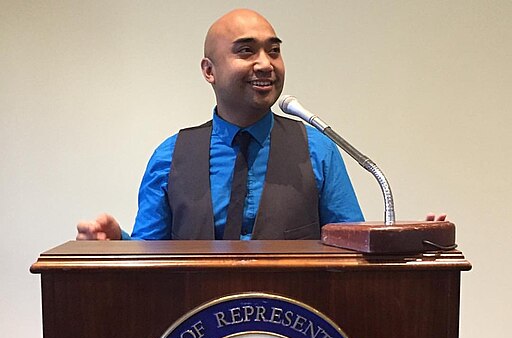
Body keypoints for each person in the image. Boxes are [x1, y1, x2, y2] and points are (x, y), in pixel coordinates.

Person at [76, 9, 442, 241]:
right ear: (209, 70)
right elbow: (150, 258)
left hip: (295, 337)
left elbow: (350, 245)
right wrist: (117, 242)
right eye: (246, 51)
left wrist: (416, 242)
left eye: (274, 50)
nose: (266, 63)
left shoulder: (317, 150)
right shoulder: (170, 157)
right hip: (197, 336)